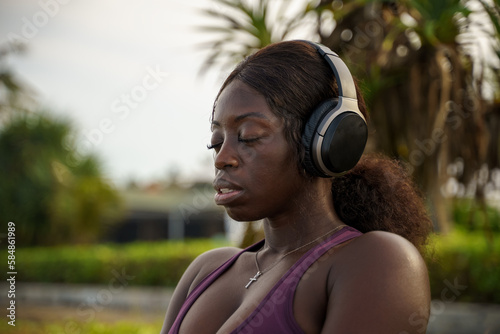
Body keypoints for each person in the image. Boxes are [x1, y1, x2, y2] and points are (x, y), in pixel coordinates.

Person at [160, 40, 433, 334]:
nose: (222, 158)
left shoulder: (376, 261)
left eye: (249, 136)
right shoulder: (206, 271)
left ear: (324, 142)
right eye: (216, 142)